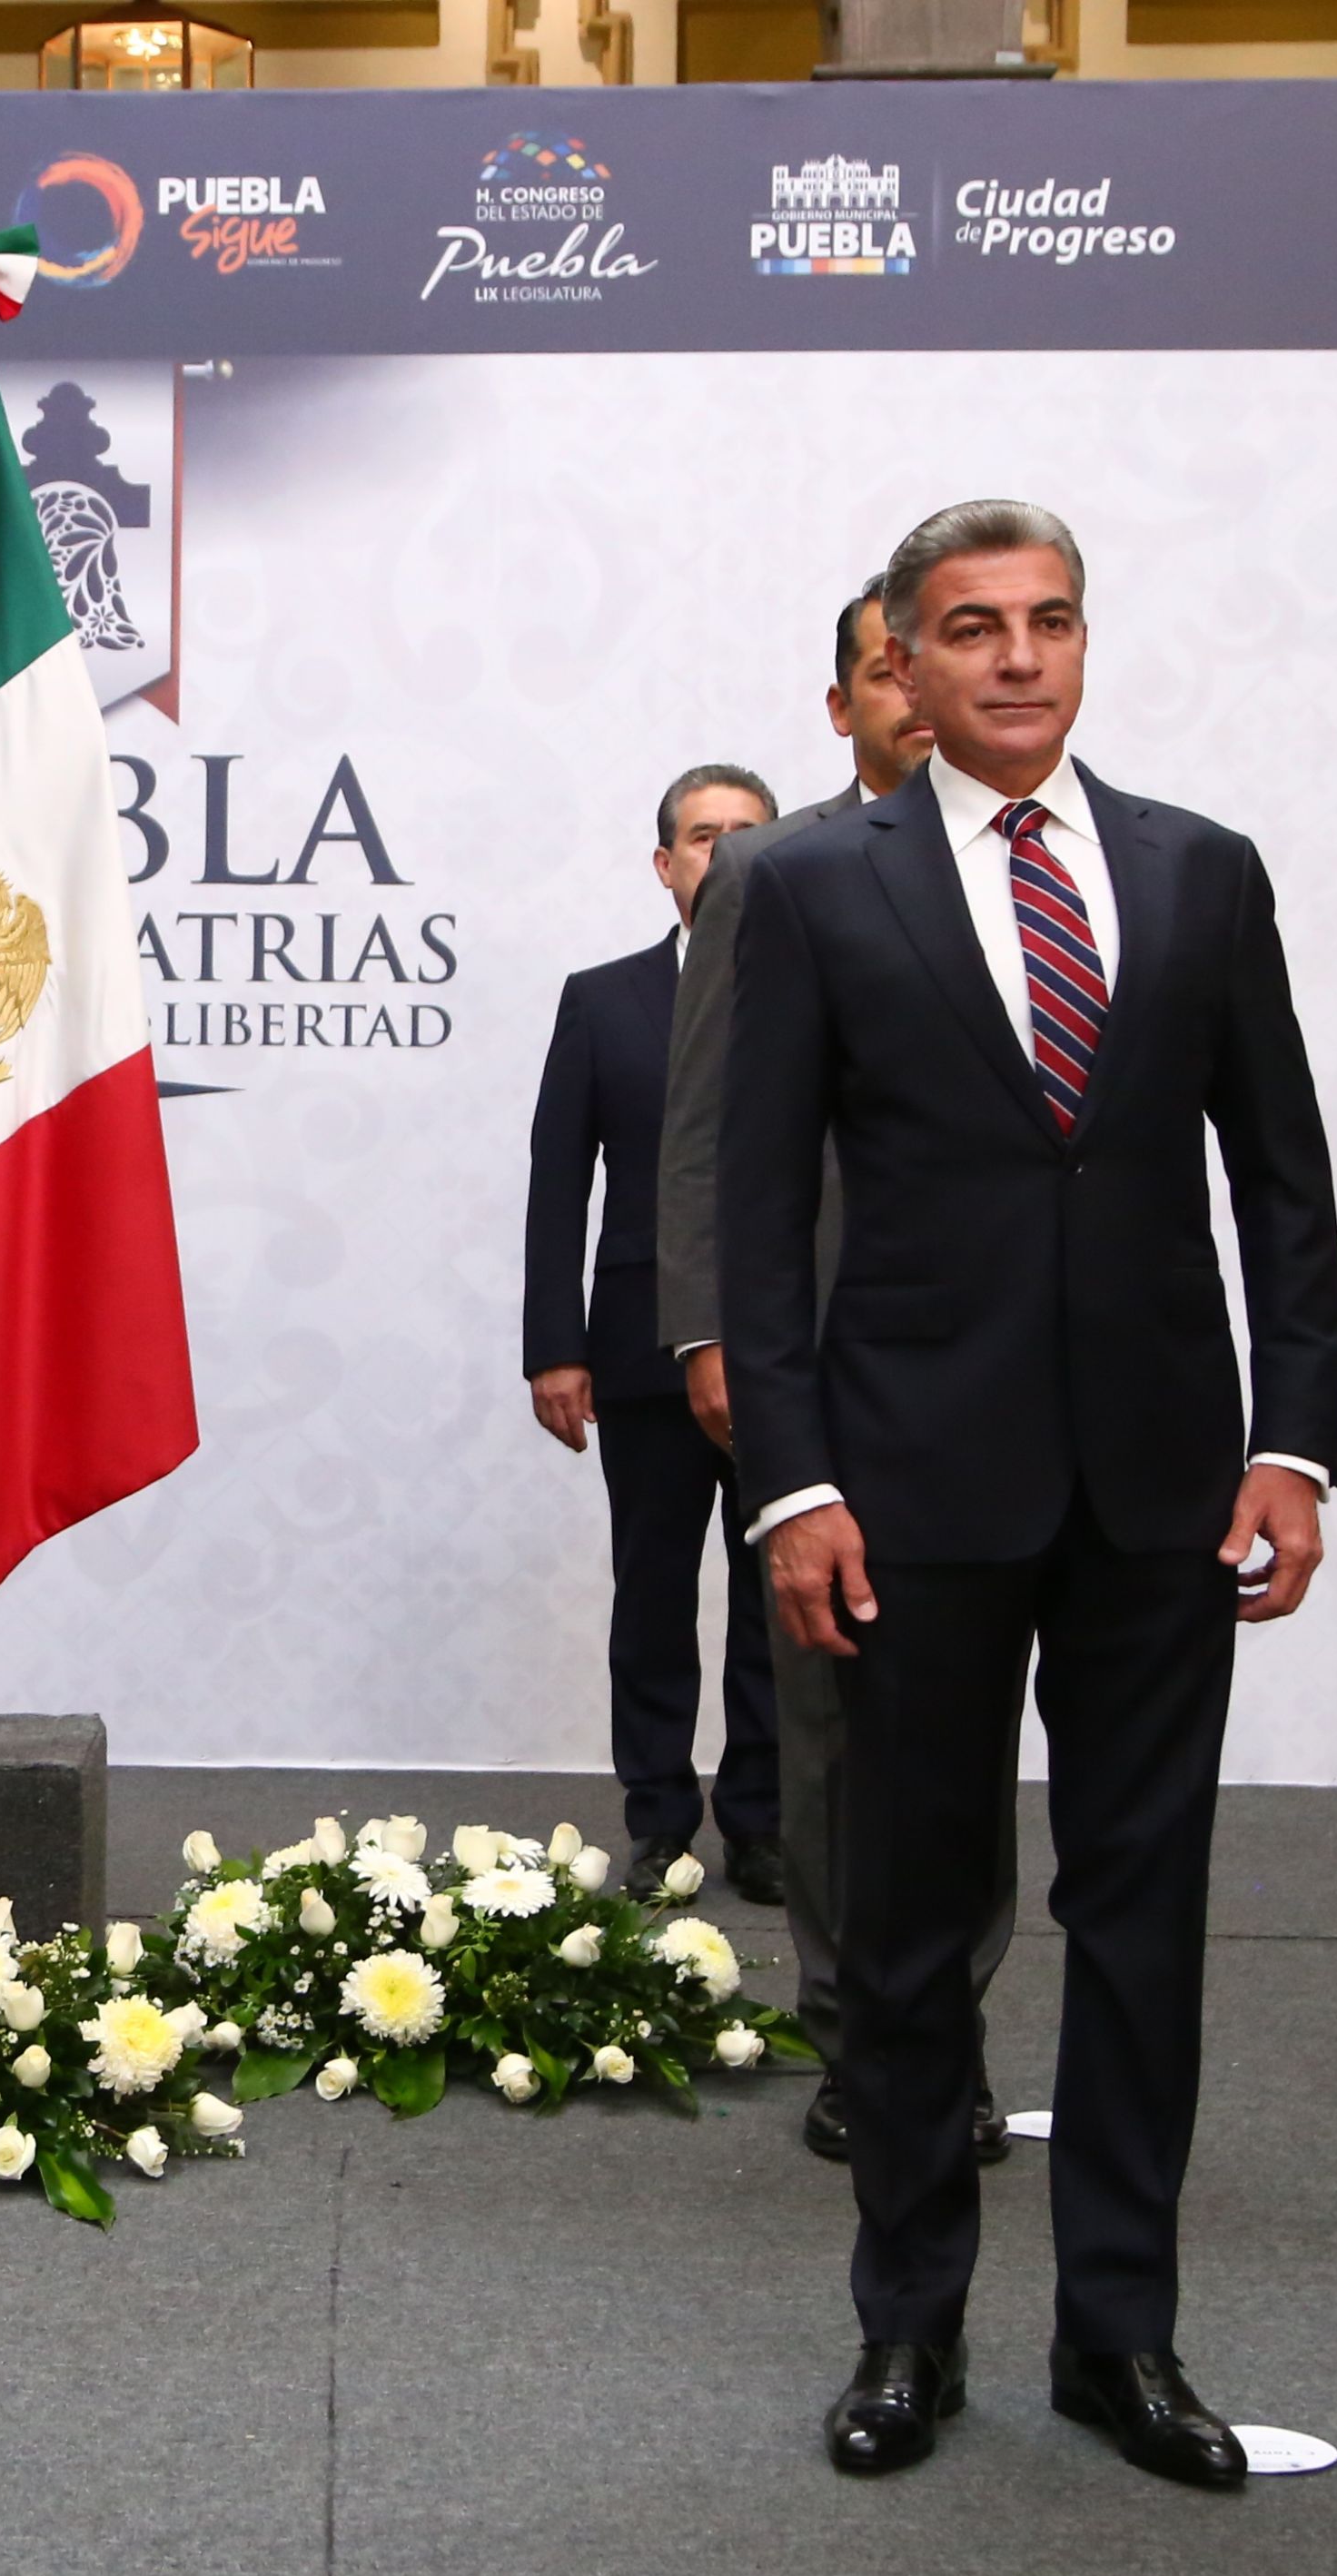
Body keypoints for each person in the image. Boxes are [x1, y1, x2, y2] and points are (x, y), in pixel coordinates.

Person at [718, 501, 1337, 2488]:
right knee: (903, 1943)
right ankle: (905, 2336)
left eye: (1047, 624)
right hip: (905, 1490)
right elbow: (746, 1218)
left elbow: (1280, 1181)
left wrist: (1291, 1439)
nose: (1014, 660)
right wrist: (791, 1483)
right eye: (969, 628)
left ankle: (1119, 2344)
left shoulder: (1197, 873)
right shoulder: (810, 887)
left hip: (1160, 1487)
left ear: (1083, 648)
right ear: (896, 663)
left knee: (1141, 1921)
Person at [655, 576, 1016, 2170]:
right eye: (884, 668)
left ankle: (952, 2032)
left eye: (926, 661)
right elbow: (709, 1129)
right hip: (814, 1361)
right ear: (851, 700)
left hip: (993, 1366)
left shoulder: (1038, 867)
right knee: (827, 1714)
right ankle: (852, 2035)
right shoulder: (778, 875)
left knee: (967, 1720)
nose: (916, 692)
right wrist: (711, 1330)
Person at [524, 763, 783, 1910]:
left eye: (746, 836)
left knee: (779, 1596)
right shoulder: (603, 997)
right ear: (664, 863)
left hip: (789, 1345)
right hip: (635, 1348)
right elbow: (555, 1184)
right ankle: (658, 1821)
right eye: (699, 836)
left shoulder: (829, 988)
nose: (721, 855)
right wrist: (553, 1345)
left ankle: (766, 1823)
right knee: (653, 1592)